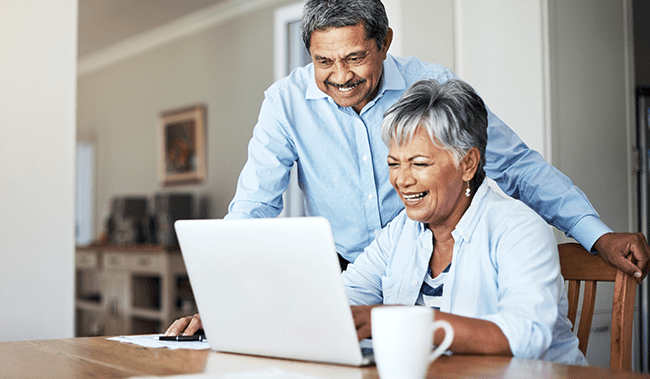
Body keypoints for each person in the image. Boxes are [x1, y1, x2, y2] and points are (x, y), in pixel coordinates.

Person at [164, 0, 648, 336]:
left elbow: (517, 166)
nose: (340, 76)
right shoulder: (286, 103)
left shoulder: (432, 87)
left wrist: (595, 234)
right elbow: (253, 207)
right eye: (323, 61)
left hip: (442, 268)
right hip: (359, 271)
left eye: (355, 57)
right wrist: (224, 305)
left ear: (384, 41)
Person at [345, 78, 587, 364]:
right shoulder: (401, 231)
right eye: (394, 163)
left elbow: (526, 337)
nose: (401, 180)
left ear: (468, 164)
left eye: (419, 163)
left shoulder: (519, 228)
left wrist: (407, 322)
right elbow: (344, 300)